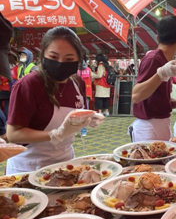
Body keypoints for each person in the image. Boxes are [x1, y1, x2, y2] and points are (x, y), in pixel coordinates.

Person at [6, 26, 104, 174]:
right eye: (53, 57)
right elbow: (13, 134)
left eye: (69, 59)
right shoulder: (29, 85)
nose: (60, 63)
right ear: (43, 55)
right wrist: (55, 134)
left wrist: (86, 119)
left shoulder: (77, 83)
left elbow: (72, 118)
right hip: (29, 167)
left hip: (65, 163)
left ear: (78, 59)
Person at [130, 15, 176, 141]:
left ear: (157, 37)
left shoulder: (165, 61)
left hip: (161, 123)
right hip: (148, 127)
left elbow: (161, 102)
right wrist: (161, 74)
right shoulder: (154, 59)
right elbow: (136, 96)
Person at [77, 55, 93, 136]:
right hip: (87, 92)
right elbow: (92, 79)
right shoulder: (89, 70)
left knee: (76, 111)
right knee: (85, 111)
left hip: (77, 93)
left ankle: (76, 130)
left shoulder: (75, 71)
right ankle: (84, 131)